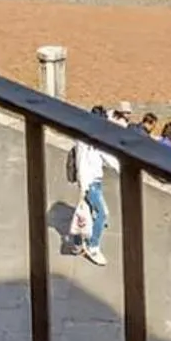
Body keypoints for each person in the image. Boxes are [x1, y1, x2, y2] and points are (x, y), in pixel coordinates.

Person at [69, 108, 115, 266]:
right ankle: (93, 246)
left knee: (84, 210)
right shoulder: (92, 142)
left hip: (89, 182)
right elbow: (109, 159)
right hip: (91, 183)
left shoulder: (84, 137)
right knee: (101, 214)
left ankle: (77, 244)